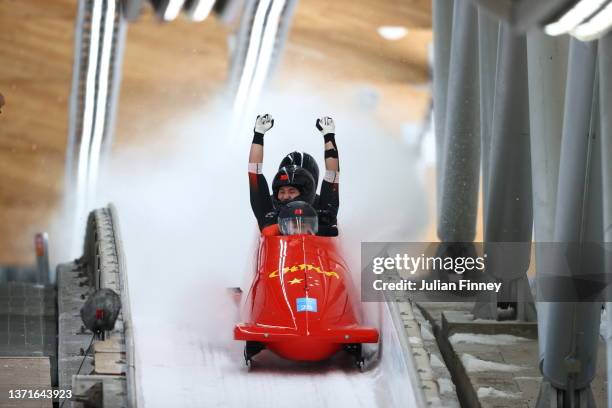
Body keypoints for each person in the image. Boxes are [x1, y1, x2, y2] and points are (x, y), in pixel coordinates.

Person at [248, 114, 340, 236]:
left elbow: (332, 175)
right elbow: (254, 174)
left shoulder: (323, 211)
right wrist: (258, 135)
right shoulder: (269, 211)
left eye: (291, 191)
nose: (286, 197)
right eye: (282, 192)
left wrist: (329, 137)